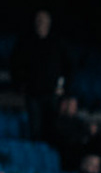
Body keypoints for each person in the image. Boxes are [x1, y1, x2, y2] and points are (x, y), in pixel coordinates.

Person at [11, 11, 74, 142]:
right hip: (32, 93)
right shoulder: (26, 41)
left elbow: (69, 67)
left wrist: (64, 89)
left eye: (44, 20)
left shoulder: (57, 43)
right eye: (39, 20)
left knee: (52, 127)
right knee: (35, 128)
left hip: (51, 93)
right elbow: (15, 64)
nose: (41, 23)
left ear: (49, 23)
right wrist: (20, 85)